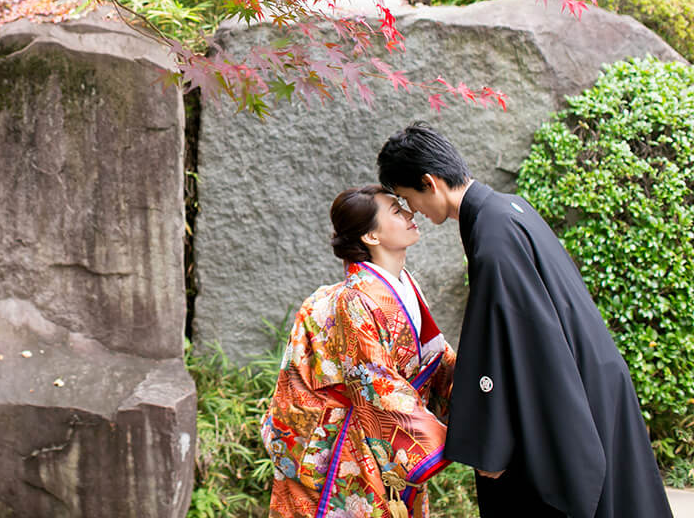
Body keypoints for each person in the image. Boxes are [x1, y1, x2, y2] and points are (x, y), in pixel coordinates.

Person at [377, 122, 673, 518]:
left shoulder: (493, 236)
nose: (413, 211)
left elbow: (516, 340)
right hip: (594, 375)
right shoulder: (509, 208)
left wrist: (492, 443)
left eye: (407, 197)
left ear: (430, 182)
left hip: (575, 392)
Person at [262, 185, 456, 518]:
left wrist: (474, 399)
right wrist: (451, 440)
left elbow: (435, 355)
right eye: (396, 211)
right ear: (371, 237)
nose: (410, 214)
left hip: (379, 431)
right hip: (352, 443)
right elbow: (375, 383)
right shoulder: (355, 299)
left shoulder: (405, 283)